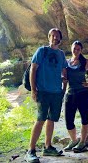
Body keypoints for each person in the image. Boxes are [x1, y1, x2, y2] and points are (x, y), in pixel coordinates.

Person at [25, 28, 68, 162]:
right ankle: (30, 150)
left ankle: (48, 146)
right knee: (40, 119)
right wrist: (33, 89)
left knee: (51, 119)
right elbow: (33, 69)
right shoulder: (42, 51)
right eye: (53, 36)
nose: (55, 38)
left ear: (60, 39)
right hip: (43, 91)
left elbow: (64, 71)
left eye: (57, 36)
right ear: (49, 37)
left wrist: (63, 89)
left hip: (56, 92)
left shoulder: (61, 54)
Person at [63, 40, 88, 153]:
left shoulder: (84, 62)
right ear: (71, 48)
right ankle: (74, 141)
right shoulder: (66, 62)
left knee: (84, 118)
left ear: (81, 50)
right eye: (74, 48)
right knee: (68, 120)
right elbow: (64, 78)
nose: (76, 51)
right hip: (70, 94)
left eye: (78, 49)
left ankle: (82, 142)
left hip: (83, 94)